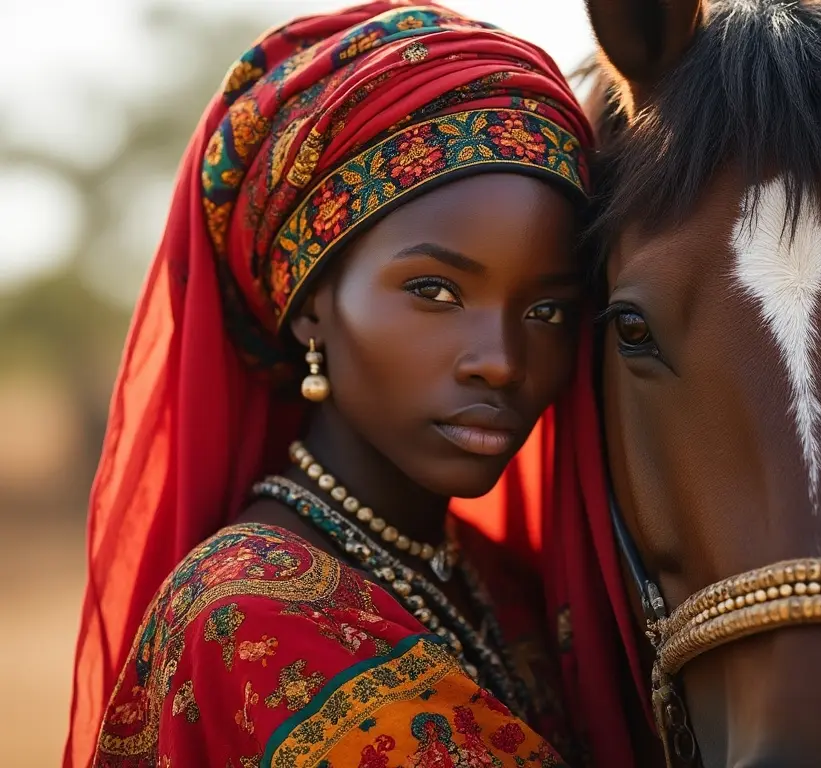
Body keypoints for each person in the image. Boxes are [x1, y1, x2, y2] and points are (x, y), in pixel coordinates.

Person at [63, 3, 606, 766]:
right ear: (310, 303)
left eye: (548, 309)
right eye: (436, 292)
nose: (503, 361)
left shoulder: (513, 591)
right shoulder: (245, 619)